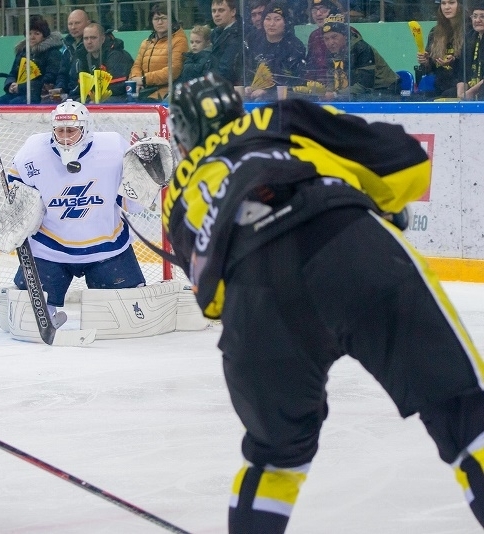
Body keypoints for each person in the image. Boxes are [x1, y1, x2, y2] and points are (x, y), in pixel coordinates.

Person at [164, 72, 484, 533]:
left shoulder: (177, 196)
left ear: (182, 137)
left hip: (255, 299)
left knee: (275, 459)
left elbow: (211, 302)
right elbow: (409, 164)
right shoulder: (278, 116)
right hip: (344, 243)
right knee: (463, 413)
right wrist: (379, 199)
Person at [0, 99, 147, 327]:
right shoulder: (33, 152)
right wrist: (18, 213)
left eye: (71, 130)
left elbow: (133, 205)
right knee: (27, 321)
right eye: (60, 131)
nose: (65, 137)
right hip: (49, 249)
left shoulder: (113, 148)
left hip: (107, 248)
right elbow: (18, 192)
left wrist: (147, 179)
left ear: (86, 129)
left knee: (127, 318)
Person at [320, 21, 399, 101]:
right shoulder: (332, 52)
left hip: (385, 90)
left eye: (334, 37)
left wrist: (335, 94)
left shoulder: (361, 48)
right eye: (326, 39)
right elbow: (332, 79)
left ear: (345, 36)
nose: (330, 43)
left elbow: (365, 85)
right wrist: (326, 92)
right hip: (358, 91)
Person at [244, 1, 306, 101]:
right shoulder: (253, 41)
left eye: (277, 19)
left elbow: (296, 82)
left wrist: (268, 92)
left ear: (285, 22)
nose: (271, 24)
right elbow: (248, 70)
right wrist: (248, 86)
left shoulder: (295, 46)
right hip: (255, 97)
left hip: (285, 101)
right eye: (268, 19)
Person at [0, 15, 62, 105]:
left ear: (44, 36)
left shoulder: (53, 53)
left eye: (36, 34)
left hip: (39, 95)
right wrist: (10, 84)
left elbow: (48, 80)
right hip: (19, 92)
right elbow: (13, 73)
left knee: (15, 103)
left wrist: (21, 87)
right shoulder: (22, 52)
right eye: (29, 33)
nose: (32, 37)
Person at [128, 3, 188, 101]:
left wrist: (144, 80)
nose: (160, 22)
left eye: (164, 18)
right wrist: (136, 80)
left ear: (172, 21)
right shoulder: (146, 42)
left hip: (166, 91)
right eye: (156, 19)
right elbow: (136, 66)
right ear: (151, 22)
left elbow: (174, 70)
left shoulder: (179, 40)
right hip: (143, 89)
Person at [417, 0, 465, 99]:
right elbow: (429, 70)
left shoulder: (468, 30)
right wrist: (426, 62)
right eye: (443, 3)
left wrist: (453, 61)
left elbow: (471, 65)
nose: (446, 7)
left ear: (460, 5)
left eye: (451, 3)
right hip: (439, 86)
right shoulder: (435, 32)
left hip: (461, 88)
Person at [78, 22, 134, 102]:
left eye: (93, 38)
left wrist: (94, 99)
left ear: (102, 39)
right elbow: (81, 84)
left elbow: (117, 87)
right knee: (75, 102)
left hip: (123, 96)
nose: (89, 42)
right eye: (86, 38)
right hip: (98, 96)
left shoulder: (116, 55)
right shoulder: (83, 56)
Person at [303, 0, 346, 85]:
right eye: (314, 10)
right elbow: (310, 66)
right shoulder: (314, 36)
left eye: (323, 10)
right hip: (319, 87)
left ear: (333, 11)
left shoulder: (347, 32)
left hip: (341, 87)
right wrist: (308, 84)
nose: (318, 14)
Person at [55, 9, 91, 101]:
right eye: (70, 24)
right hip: (70, 95)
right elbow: (62, 73)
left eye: (77, 23)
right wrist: (59, 89)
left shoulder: (91, 46)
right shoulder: (67, 47)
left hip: (84, 95)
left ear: (88, 23)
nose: (73, 27)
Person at [209, 0, 244, 85]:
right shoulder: (215, 33)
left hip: (230, 86)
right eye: (214, 11)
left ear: (233, 12)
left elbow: (227, 69)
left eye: (221, 10)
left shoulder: (239, 34)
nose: (216, 14)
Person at [462, 0, 484, 100]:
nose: (477, 20)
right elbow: (461, 71)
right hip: (471, 87)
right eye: (474, 16)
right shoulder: (469, 37)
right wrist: (461, 93)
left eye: (482, 16)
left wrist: (471, 92)